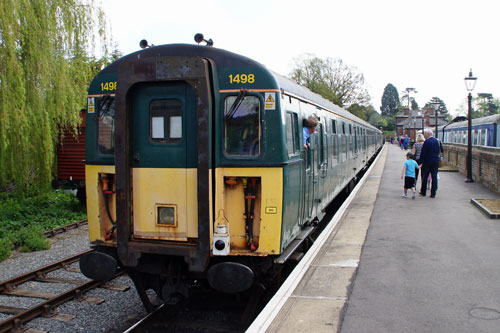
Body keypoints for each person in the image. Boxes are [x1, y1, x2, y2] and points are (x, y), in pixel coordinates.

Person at [419, 128, 440, 198]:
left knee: (425, 177)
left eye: (425, 134)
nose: (424, 135)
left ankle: (423, 192)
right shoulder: (437, 141)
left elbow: (423, 153)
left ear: (428, 134)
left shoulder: (427, 142)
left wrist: (419, 162)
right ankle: (433, 193)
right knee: (434, 178)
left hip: (427, 162)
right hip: (435, 162)